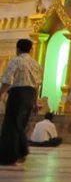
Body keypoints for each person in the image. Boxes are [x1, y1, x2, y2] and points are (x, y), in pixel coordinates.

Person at [0, 39, 42, 167]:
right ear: (30, 49)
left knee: (11, 125)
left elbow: (7, 80)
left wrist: (1, 93)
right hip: (30, 95)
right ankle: (21, 152)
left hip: (18, 94)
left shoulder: (16, 60)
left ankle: (9, 157)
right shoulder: (36, 64)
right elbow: (37, 85)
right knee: (21, 124)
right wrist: (35, 103)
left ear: (17, 49)